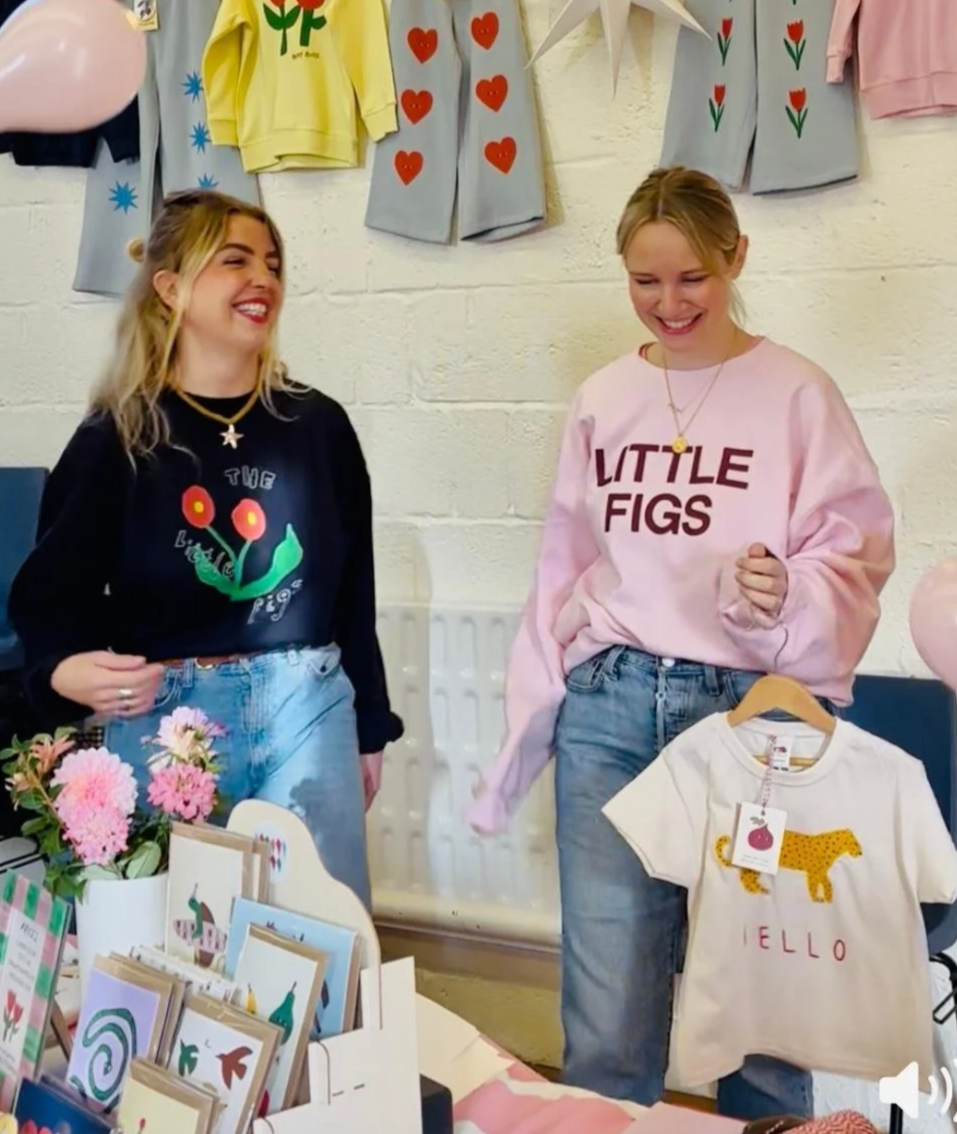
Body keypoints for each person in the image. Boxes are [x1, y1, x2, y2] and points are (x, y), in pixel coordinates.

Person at [467, 167, 895, 1118]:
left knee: (760, 999)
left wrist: (787, 591)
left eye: (692, 278)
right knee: (608, 1004)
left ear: (735, 257)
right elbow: (560, 573)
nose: (668, 304)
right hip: (610, 708)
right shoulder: (603, 396)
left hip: (754, 718)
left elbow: (859, 552)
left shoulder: (797, 394)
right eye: (644, 282)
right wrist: (519, 747)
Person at [10, 189, 402, 910]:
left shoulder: (319, 427)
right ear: (171, 289)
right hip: (169, 719)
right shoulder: (116, 438)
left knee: (324, 936)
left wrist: (369, 724)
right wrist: (62, 671)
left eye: (273, 263)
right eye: (235, 260)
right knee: (180, 950)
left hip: (306, 703)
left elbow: (354, 588)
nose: (264, 278)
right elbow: (48, 597)